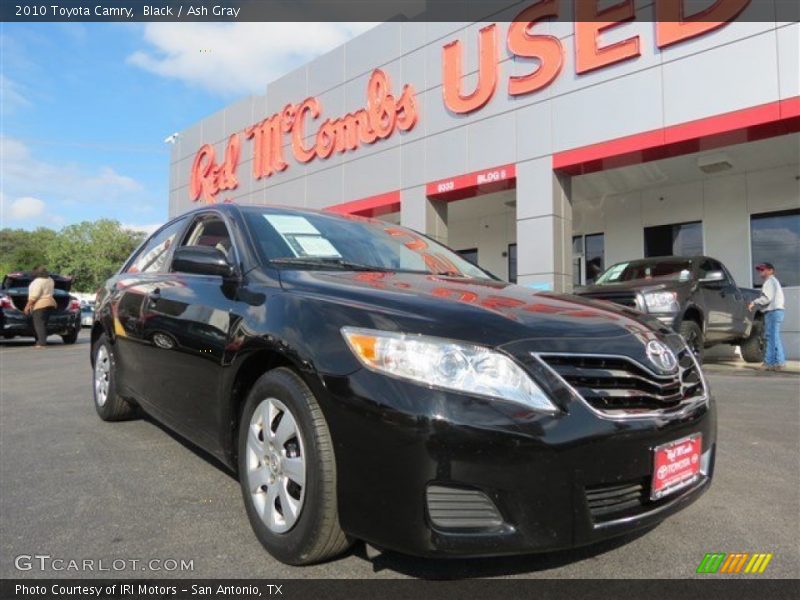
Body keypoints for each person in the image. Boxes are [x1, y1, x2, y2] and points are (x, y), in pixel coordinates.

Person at [748, 262, 785, 371]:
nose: (761, 271)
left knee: (770, 337)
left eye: (763, 269)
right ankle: (780, 362)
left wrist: (754, 302)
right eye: (760, 270)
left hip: (773, 312)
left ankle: (769, 363)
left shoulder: (769, 282)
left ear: (770, 271)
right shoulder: (774, 282)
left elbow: (766, 299)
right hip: (777, 311)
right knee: (774, 337)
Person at [23, 266, 57, 349]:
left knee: (39, 324)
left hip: (40, 304)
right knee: (44, 323)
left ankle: (41, 343)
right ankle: (40, 341)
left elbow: (34, 296)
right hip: (50, 303)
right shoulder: (50, 280)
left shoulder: (37, 281)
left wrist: (27, 306)